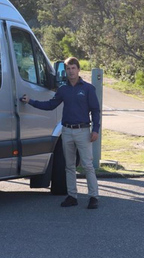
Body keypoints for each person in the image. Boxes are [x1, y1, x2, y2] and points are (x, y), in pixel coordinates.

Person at [21, 57, 100, 209]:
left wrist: (95, 129)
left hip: (83, 131)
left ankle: (93, 197)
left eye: (73, 68)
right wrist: (31, 101)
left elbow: (95, 110)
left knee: (87, 165)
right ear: (65, 71)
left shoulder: (88, 89)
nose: (71, 71)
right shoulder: (63, 90)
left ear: (78, 70)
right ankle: (72, 196)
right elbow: (50, 105)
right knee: (69, 166)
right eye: (68, 69)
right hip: (66, 131)